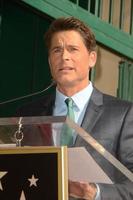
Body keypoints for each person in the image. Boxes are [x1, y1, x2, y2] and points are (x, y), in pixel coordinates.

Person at [16, 17, 133, 199]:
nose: (64, 57)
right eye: (57, 50)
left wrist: (95, 193)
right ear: (49, 61)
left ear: (92, 58)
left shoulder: (124, 114)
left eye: (73, 49)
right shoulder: (27, 114)